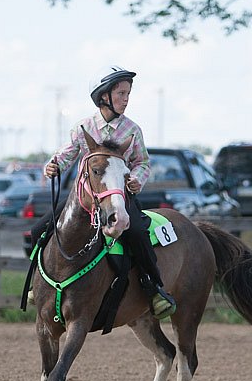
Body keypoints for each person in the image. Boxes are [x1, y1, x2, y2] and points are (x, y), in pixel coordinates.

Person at [30, 65, 176, 319]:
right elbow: (67, 154)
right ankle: (38, 285)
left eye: (128, 94)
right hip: (85, 198)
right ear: (104, 97)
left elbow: (142, 162)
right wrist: (53, 165)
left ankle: (153, 288)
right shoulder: (83, 127)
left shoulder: (132, 130)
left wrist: (135, 180)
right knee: (38, 230)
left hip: (118, 196)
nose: (126, 99)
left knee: (139, 234)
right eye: (121, 93)